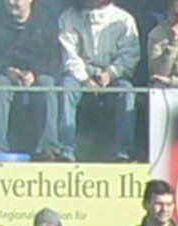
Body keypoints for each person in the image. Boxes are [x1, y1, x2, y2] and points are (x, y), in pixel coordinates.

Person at [0, 0, 67, 157]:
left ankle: (48, 148)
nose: (11, 2)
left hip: (36, 74)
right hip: (5, 73)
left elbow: (53, 58)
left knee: (47, 83)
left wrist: (34, 73)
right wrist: (7, 70)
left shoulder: (46, 21)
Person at [59, 0, 140, 159]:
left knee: (127, 92)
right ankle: (66, 149)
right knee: (66, 88)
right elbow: (69, 56)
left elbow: (130, 55)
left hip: (113, 77)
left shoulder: (124, 19)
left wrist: (110, 74)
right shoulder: (68, 17)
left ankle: (123, 151)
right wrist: (85, 79)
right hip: (80, 76)